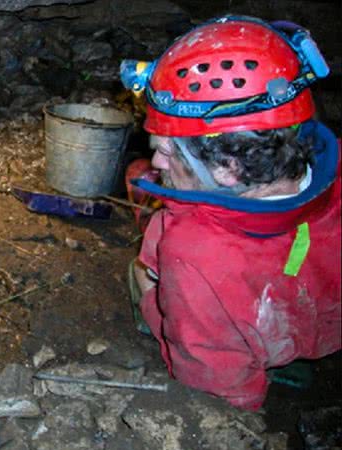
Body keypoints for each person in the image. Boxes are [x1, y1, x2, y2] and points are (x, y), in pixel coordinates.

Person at [120, 15, 341, 410]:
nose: (158, 159)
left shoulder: (193, 253)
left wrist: (155, 295)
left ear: (229, 169)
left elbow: (216, 391)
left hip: (237, 329)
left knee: (143, 259)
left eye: (169, 151)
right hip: (313, 320)